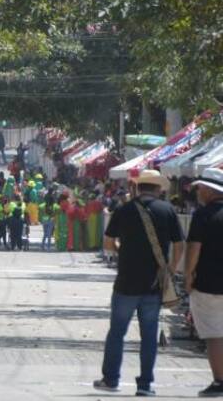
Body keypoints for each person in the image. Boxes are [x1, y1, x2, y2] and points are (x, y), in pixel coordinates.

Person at [94, 170, 184, 397]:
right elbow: (179, 244)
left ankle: (111, 379)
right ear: (158, 188)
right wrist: (170, 269)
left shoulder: (124, 210)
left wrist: (120, 252)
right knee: (149, 335)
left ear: (138, 187)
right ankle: (145, 385)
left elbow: (107, 242)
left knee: (117, 332)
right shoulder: (167, 210)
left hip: (126, 281)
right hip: (154, 284)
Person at [184, 169, 223, 397]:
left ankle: (219, 380)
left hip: (209, 282)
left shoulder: (204, 215)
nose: (198, 192)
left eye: (199, 188)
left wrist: (188, 276)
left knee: (214, 334)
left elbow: (194, 248)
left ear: (209, 190)